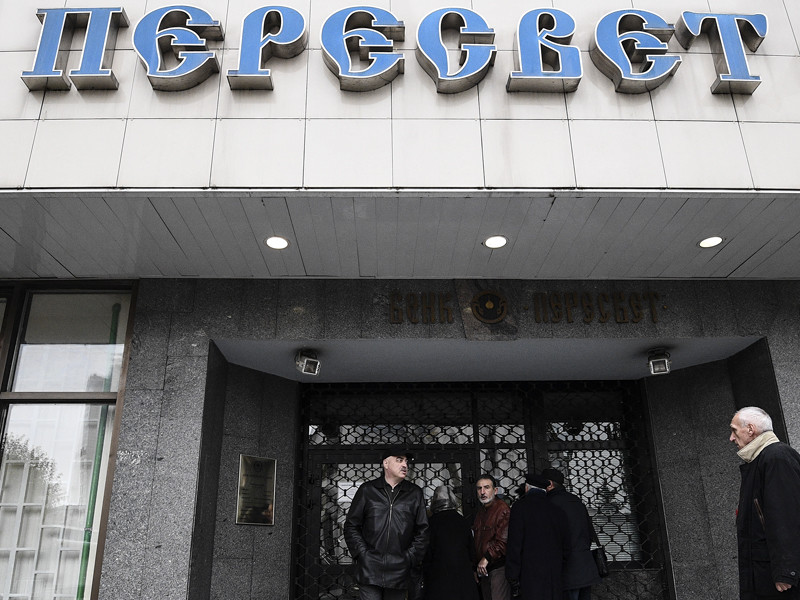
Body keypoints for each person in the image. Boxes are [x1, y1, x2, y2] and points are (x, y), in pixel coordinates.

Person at [729, 407, 800, 599]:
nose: (731, 438)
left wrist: (786, 571)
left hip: (781, 581)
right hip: (766, 575)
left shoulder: (776, 457)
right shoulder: (762, 460)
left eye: (734, 430)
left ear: (750, 429)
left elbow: (787, 516)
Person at [344, 447, 429, 600]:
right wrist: (363, 554)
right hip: (370, 569)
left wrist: (409, 557)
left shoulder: (414, 493)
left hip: (400, 570)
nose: (405, 465)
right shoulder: (367, 490)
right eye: (399, 460)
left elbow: (423, 530)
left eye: (406, 461)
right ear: (386, 463)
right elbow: (351, 525)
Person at [506, 473, 570, 600]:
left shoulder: (519, 508)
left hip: (529, 577)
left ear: (527, 488)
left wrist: (512, 576)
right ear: (545, 490)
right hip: (553, 578)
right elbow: (566, 547)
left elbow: (515, 545)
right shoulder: (558, 511)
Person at [541, 468, 601, 600]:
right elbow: (589, 533)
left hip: (566, 570)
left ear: (549, 484)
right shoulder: (576, 501)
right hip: (585, 567)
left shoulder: (549, 503)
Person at [422, 485, 479, 600]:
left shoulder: (430, 523)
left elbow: (426, 553)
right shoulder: (462, 521)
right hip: (463, 578)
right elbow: (472, 550)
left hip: (438, 579)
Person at [472, 474, 512, 600]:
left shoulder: (502, 509)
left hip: (497, 567)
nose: (482, 492)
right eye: (479, 488)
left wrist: (486, 558)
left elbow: (503, 542)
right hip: (484, 569)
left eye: (486, 487)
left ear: (495, 490)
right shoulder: (481, 512)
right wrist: (476, 566)